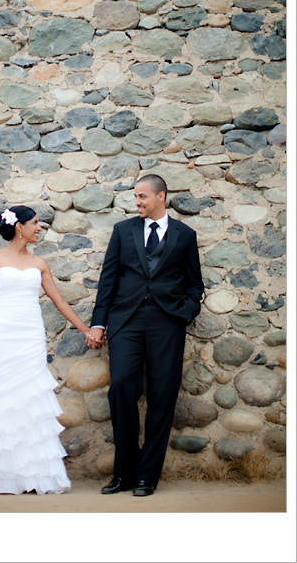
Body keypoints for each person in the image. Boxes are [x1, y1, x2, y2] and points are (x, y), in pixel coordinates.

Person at [0, 205, 103, 495]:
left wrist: (87, 330)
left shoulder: (40, 263)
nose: (40, 228)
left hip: (31, 336)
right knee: (3, 397)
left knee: (31, 398)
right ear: (18, 227)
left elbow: (60, 303)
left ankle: (33, 473)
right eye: (35, 223)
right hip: (2, 335)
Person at [91, 174, 203, 497]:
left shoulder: (184, 235)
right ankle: (124, 472)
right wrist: (99, 322)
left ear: (161, 196)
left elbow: (195, 284)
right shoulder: (122, 231)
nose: (137, 202)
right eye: (136, 197)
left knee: (162, 395)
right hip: (125, 321)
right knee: (123, 386)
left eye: (142, 197)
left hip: (167, 324)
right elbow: (107, 280)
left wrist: (187, 310)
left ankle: (146, 476)